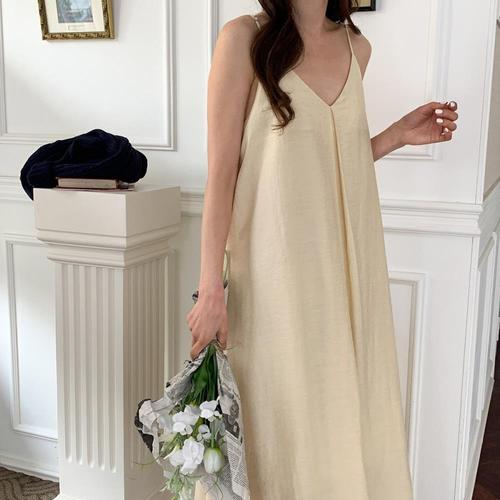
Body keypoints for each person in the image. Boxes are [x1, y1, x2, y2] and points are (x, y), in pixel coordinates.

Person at [188, 1, 459, 498]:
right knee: (276, 417)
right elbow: (222, 172)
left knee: (333, 410)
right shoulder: (243, 39)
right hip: (269, 275)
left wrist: (396, 136)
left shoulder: (358, 48)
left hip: (343, 271)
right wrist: (210, 289)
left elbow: (328, 160)